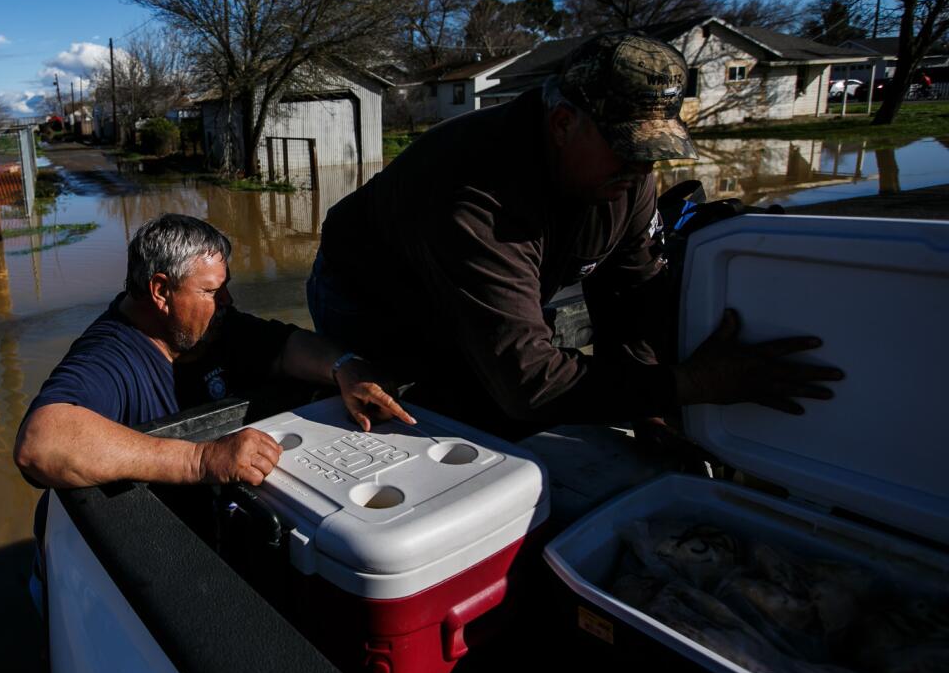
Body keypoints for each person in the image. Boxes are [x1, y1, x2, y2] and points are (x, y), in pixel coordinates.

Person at [307, 32, 843, 435]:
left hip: (483, 276)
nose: (641, 169)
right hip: (373, 294)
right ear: (563, 124)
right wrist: (693, 384)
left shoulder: (626, 176)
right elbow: (528, 383)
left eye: (654, 153)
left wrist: (648, 403)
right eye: (628, 147)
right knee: (427, 413)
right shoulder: (471, 194)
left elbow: (629, 292)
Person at [14, 213, 412, 490]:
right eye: (209, 291)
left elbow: (287, 346)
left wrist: (346, 368)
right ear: (161, 291)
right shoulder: (111, 355)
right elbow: (40, 444)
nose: (227, 301)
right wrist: (199, 461)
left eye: (224, 287)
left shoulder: (218, 325)